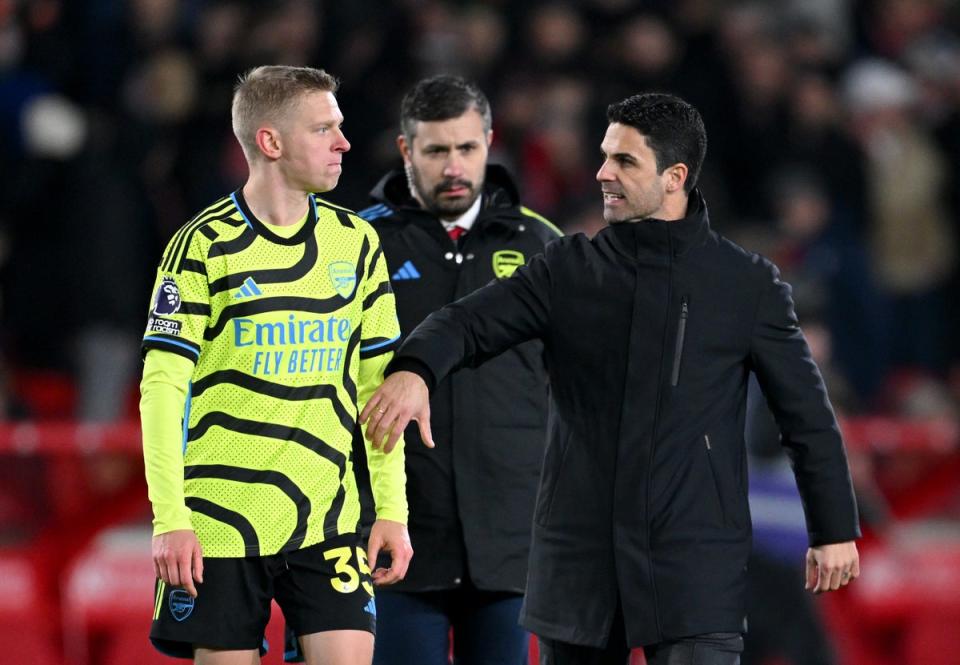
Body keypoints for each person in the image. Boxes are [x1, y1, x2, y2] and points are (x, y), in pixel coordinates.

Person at [360, 93, 861, 665]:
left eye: (624, 161)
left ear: (675, 177)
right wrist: (415, 370)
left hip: (694, 567)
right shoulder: (568, 269)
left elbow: (806, 417)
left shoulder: (746, 284)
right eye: (604, 156)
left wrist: (834, 528)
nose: (602, 173)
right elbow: (464, 323)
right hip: (580, 567)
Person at [139, 65, 412, 665]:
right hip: (218, 524)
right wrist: (169, 517)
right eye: (323, 129)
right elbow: (161, 388)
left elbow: (380, 390)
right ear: (270, 142)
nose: (343, 141)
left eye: (338, 127)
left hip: (330, 519)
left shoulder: (357, 244)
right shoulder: (202, 246)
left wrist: (391, 508)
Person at [360, 75, 560, 665]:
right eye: (437, 150)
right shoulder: (359, 243)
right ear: (406, 150)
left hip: (514, 542)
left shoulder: (540, 246)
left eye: (468, 148)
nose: (455, 166)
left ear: (490, 142)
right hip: (396, 536)